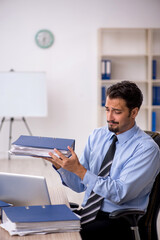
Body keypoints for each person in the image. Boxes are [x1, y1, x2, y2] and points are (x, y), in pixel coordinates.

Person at [45, 81, 160, 239]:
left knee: (64, 236)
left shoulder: (146, 149)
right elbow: (79, 185)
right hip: (88, 213)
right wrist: (62, 167)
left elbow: (120, 193)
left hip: (118, 220)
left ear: (134, 112)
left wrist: (80, 170)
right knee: (44, 226)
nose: (109, 117)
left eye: (117, 112)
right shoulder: (98, 135)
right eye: (107, 110)